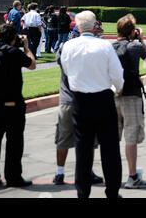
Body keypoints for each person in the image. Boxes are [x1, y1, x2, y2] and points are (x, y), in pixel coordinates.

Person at [61, 11, 124, 198]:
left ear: (77, 27)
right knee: (110, 148)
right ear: (95, 25)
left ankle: (83, 192)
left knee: (83, 149)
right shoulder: (104, 45)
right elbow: (117, 74)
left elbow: (66, 70)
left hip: (80, 99)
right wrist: (118, 88)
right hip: (103, 98)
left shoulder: (69, 46)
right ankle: (112, 191)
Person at [0, 24, 36, 187]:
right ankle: (13, 177)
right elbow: (32, 64)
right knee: (14, 141)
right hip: (13, 103)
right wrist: (26, 47)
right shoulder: (14, 53)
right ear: (14, 38)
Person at [52, 29, 104, 186]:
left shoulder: (65, 50)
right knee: (88, 140)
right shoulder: (93, 51)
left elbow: (60, 60)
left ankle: (59, 173)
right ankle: (86, 171)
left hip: (67, 100)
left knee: (63, 138)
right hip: (86, 100)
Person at [113, 14, 146, 189]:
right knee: (131, 138)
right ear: (132, 32)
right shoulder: (135, 47)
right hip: (132, 96)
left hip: (112, 95)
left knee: (113, 139)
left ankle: (112, 176)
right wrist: (142, 39)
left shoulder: (110, 47)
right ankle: (132, 176)